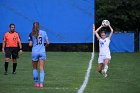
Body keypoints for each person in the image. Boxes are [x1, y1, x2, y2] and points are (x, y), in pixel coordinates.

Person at [28, 22, 49, 88]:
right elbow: (48, 42)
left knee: (34, 68)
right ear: (39, 26)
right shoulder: (43, 32)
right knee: (41, 67)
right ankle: (41, 84)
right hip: (42, 51)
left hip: (35, 52)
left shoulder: (31, 33)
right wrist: (44, 47)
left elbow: (30, 44)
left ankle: (36, 83)